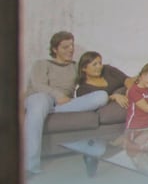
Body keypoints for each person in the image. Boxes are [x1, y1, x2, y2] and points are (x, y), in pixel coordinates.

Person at [23, 31, 108, 173]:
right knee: (40, 102)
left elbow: (96, 72)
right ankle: (30, 167)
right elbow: (38, 85)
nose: (70, 49)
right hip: (42, 97)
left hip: (64, 104)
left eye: (72, 46)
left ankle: (46, 112)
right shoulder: (42, 64)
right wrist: (57, 95)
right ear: (55, 49)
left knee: (101, 96)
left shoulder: (76, 67)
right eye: (65, 47)